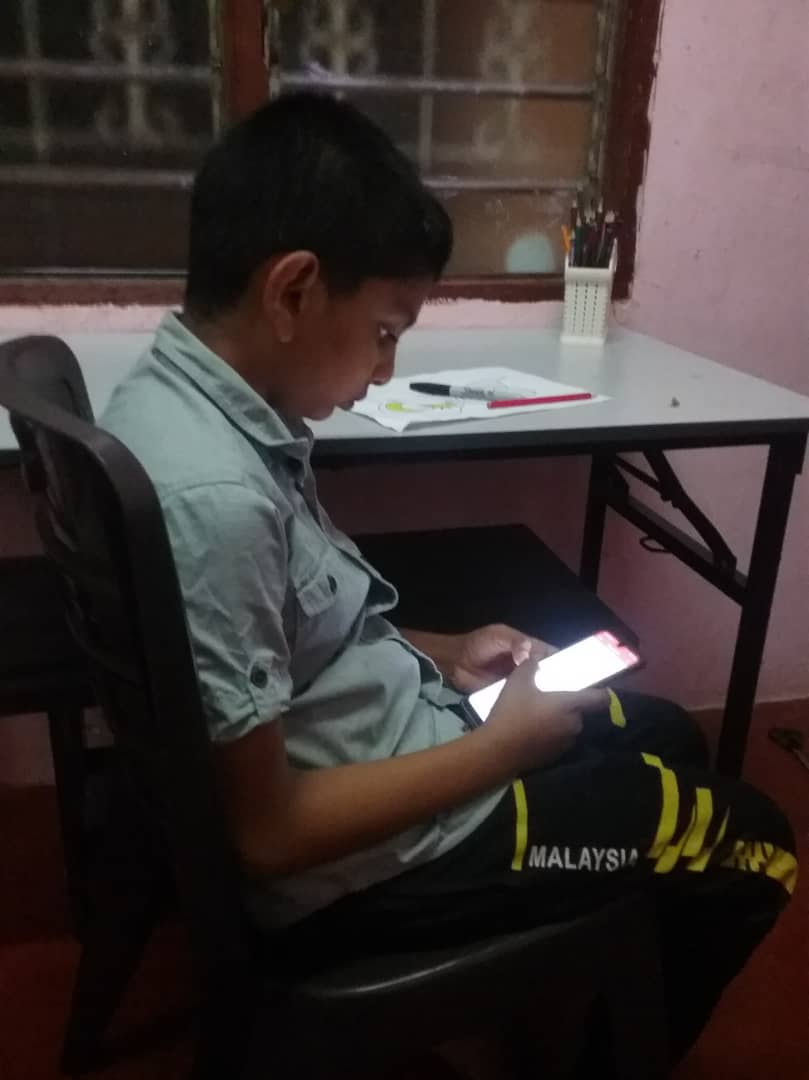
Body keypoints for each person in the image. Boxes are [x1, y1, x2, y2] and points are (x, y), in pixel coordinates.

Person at [100, 91, 796, 1066]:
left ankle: (572, 970)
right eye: (386, 331)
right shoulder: (215, 496)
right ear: (292, 291)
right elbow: (268, 836)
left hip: (382, 740)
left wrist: (441, 652)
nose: (386, 371)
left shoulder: (182, 401)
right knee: (753, 844)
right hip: (362, 872)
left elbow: (293, 633)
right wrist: (499, 751)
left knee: (666, 734)